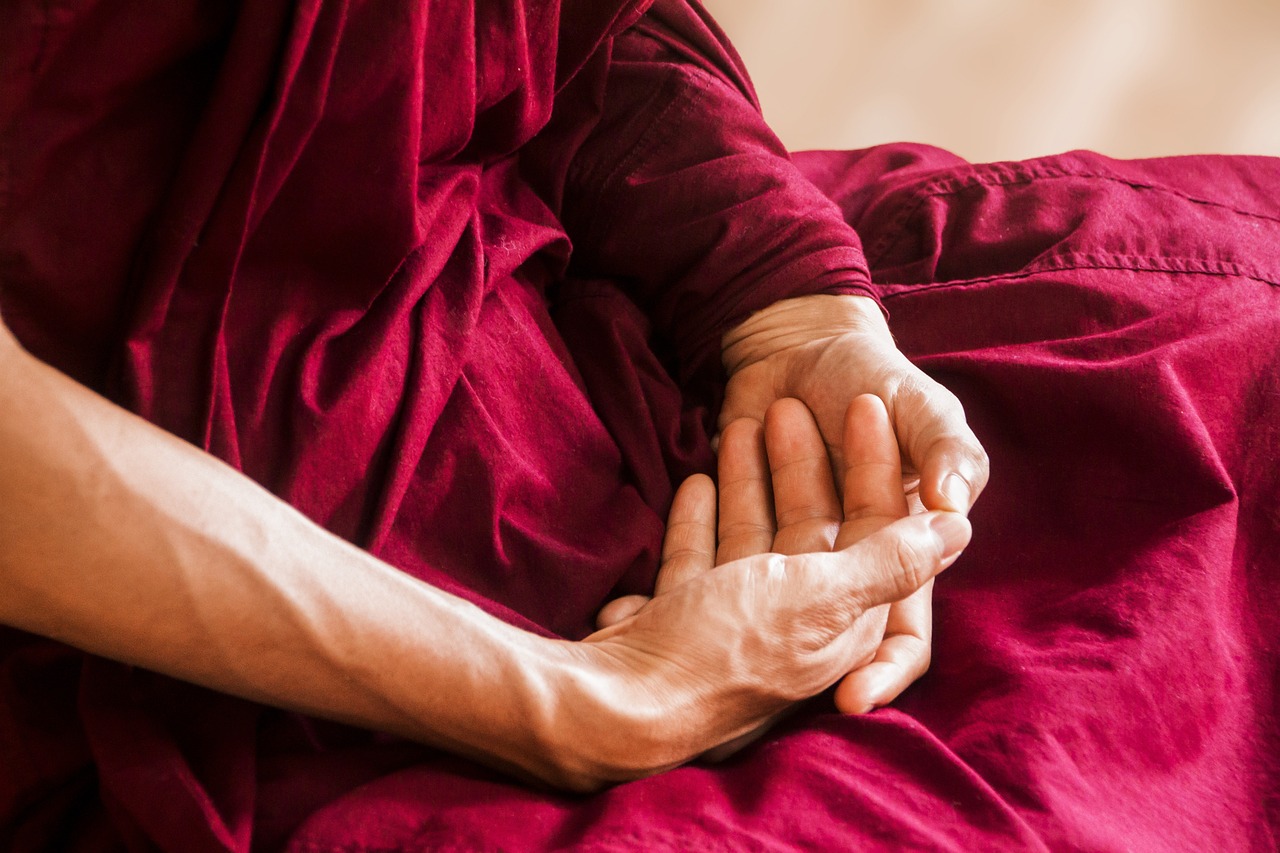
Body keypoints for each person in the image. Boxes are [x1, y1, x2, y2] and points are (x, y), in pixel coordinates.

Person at [4, 0, 1278, 850]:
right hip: (196, 632)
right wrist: (573, 704)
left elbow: (559, 34)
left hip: (593, 318)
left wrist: (785, 302)